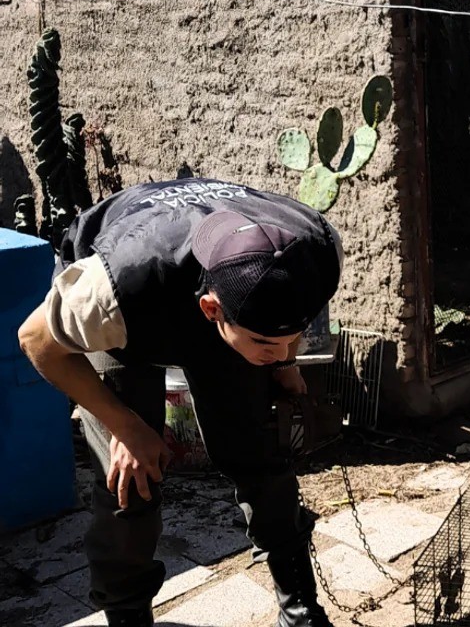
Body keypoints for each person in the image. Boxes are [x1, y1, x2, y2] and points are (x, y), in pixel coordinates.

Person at [18, 178, 343, 627]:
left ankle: (301, 610)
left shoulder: (315, 249)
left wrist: (282, 361)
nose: (284, 347)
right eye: (268, 340)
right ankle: (128, 616)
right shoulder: (113, 289)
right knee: (131, 481)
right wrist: (124, 425)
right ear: (212, 310)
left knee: (260, 455)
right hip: (133, 319)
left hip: (223, 297)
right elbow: (35, 342)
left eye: (292, 336)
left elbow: (286, 322)